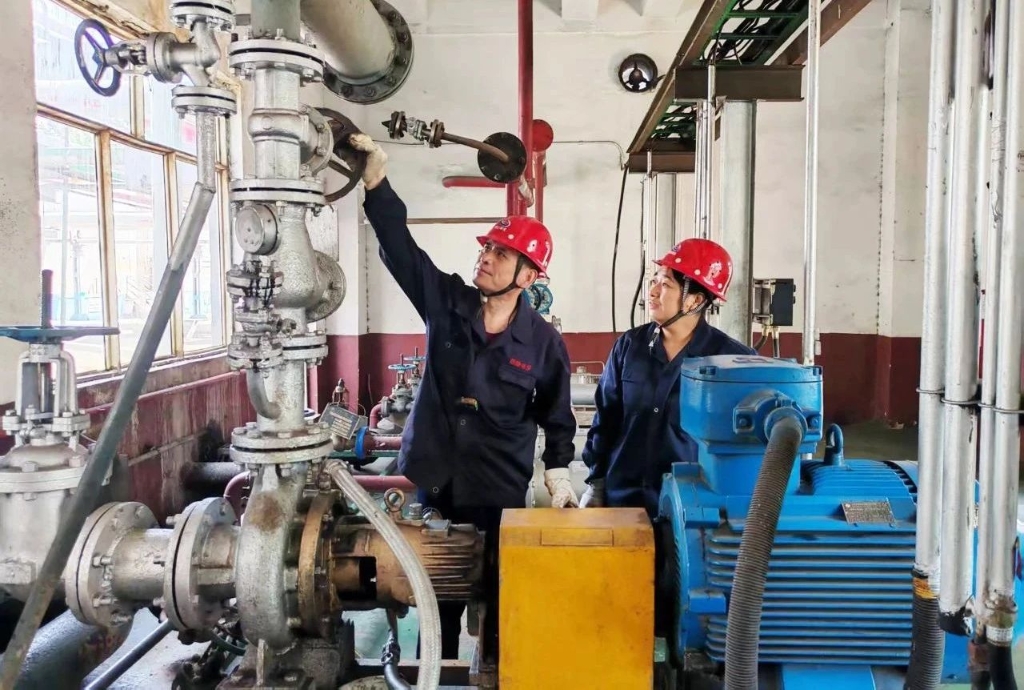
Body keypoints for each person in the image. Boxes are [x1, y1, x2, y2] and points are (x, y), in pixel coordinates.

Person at [347, 133, 579, 662]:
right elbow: (401, 252)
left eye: (502, 253)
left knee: (499, 592)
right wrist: (377, 182)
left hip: (497, 487)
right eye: (487, 249)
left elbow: (557, 416)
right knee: (435, 595)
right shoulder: (447, 301)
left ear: (528, 275)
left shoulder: (543, 343)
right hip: (436, 476)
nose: (487, 258)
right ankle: (438, 666)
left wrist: (559, 472)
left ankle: (491, 665)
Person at [579, 238, 756, 517]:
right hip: (624, 499)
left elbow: (744, 444)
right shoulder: (629, 346)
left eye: (666, 285)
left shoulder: (731, 361)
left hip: (693, 508)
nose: (652, 291)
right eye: (654, 281)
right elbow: (606, 419)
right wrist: (596, 483)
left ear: (695, 300)